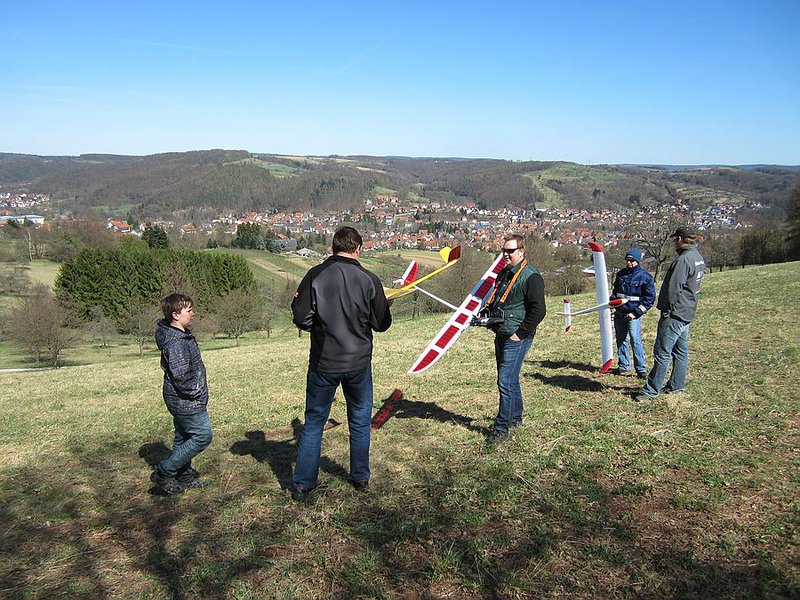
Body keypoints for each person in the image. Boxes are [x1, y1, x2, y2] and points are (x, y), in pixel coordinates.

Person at [290, 226, 392, 500]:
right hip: (358, 361)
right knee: (359, 418)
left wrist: (321, 327)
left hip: (324, 361)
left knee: (313, 422)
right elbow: (382, 324)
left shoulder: (315, 275)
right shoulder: (369, 278)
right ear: (358, 249)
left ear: (333, 247)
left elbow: (300, 317)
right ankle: (360, 476)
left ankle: (302, 483)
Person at [484, 234, 546, 443]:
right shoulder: (503, 274)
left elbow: (539, 310)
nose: (506, 255)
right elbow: (499, 301)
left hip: (517, 337)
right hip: (501, 333)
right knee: (510, 379)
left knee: (505, 380)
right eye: (504, 251)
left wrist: (520, 333)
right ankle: (515, 417)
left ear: (521, 251)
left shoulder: (531, 276)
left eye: (510, 251)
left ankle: (501, 428)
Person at [635, 227, 706, 402]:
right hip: (688, 311)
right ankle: (676, 385)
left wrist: (666, 310)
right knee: (681, 351)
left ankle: (651, 390)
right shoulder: (698, 257)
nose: (674, 242)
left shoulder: (683, 260)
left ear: (681, 239)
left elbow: (673, 289)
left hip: (674, 313)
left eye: (676, 239)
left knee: (662, 352)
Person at [151, 293, 212, 494]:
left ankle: (184, 478)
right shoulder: (176, 342)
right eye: (189, 310)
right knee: (202, 436)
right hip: (186, 401)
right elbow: (182, 378)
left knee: (183, 438)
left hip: (178, 400)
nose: (193, 314)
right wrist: (199, 391)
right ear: (176, 315)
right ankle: (164, 471)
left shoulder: (179, 334)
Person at [611, 248, 656, 379]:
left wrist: (636, 313)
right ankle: (624, 366)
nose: (629, 263)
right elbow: (615, 293)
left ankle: (641, 369)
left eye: (632, 261)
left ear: (637, 261)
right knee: (621, 339)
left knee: (635, 340)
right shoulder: (620, 275)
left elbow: (649, 299)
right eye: (628, 260)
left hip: (633, 315)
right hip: (620, 313)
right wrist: (612, 304)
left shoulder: (645, 277)